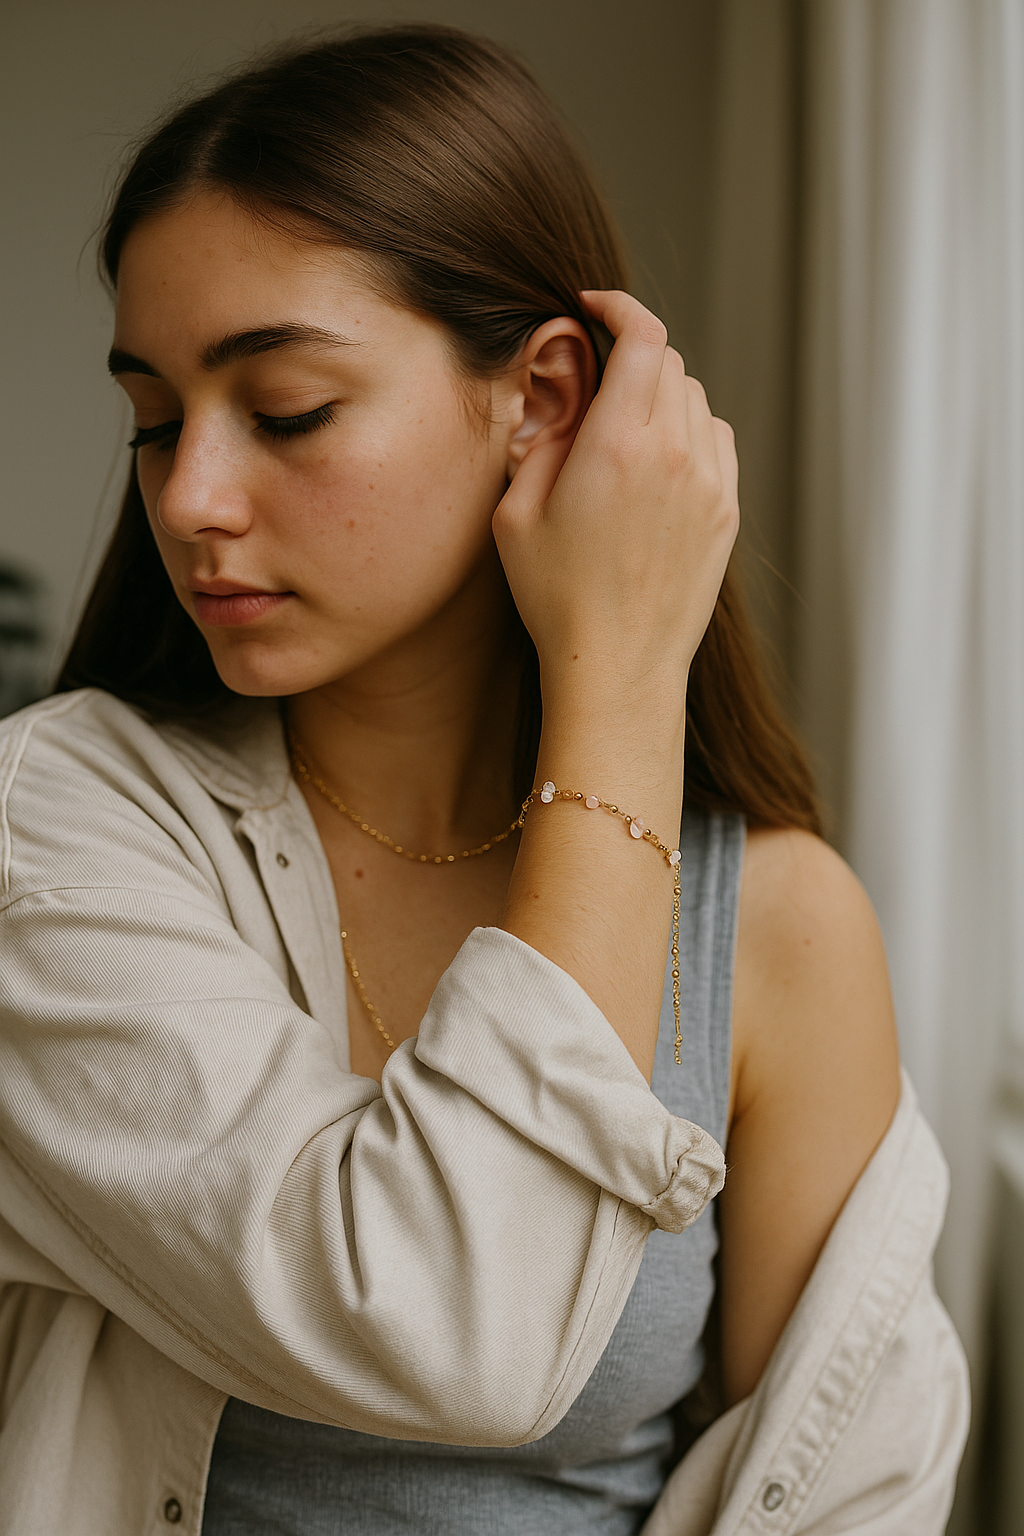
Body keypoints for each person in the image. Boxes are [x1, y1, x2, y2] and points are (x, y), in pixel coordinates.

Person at [0, 24, 966, 1536]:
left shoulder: (777, 928)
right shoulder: (56, 833)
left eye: (287, 410)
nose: (190, 494)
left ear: (541, 395)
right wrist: (626, 676)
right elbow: (450, 1329)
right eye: (154, 417)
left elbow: (835, 1490)